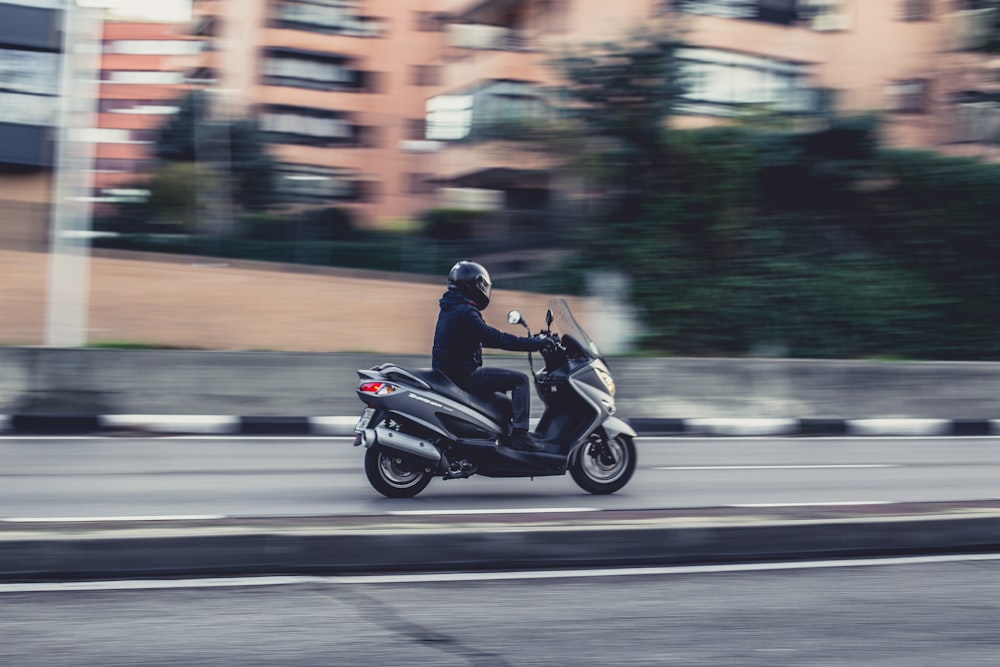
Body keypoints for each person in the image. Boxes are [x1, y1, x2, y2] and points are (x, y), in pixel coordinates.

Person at [432, 260, 549, 452]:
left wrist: (530, 342)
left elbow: (480, 337)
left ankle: (500, 437)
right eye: (482, 286)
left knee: (506, 404)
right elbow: (496, 338)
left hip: (450, 373)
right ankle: (520, 437)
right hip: (463, 375)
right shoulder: (464, 311)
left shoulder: (452, 306)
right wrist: (536, 344)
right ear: (474, 285)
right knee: (519, 380)